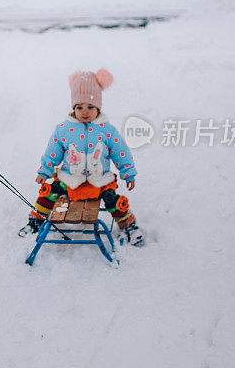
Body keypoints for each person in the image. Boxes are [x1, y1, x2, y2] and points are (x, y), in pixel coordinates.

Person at [18, 69, 144, 247]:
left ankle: (129, 225)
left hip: (99, 180)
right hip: (69, 179)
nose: (85, 112)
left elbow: (120, 152)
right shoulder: (63, 129)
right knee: (50, 192)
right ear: (73, 107)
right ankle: (36, 220)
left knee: (112, 199)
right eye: (79, 107)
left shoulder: (107, 130)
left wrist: (128, 172)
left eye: (90, 107)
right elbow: (52, 152)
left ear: (98, 107)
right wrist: (45, 170)